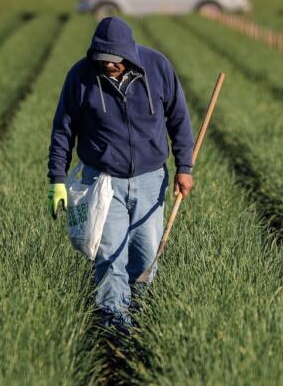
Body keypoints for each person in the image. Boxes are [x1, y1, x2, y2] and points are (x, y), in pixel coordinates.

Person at [47, 17, 194, 331]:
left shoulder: (157, 67)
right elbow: (63, 130)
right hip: (103, 182)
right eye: (102, 60)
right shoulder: (80, 76)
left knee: (146, 257)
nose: (108, 66)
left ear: (127, 54)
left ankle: (139, 316)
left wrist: (185, 167)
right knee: (110, 257)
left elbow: (178, 118)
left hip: (151, 178)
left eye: (114, 60)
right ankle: (115, 326)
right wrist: (56, 180)